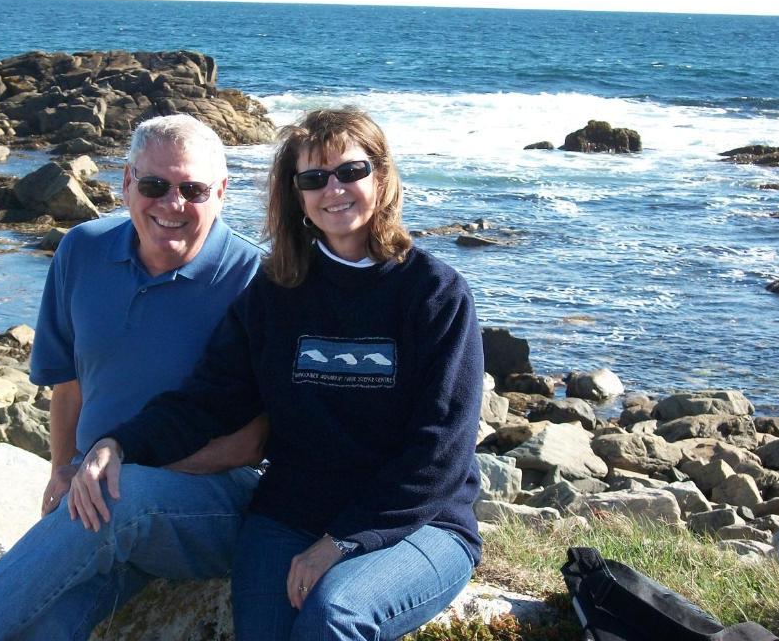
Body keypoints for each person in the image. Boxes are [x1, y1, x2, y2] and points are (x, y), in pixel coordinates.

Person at [76, 107, 484, 640]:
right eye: (313, 179)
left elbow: (439, 452)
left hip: (419, 524)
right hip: (291, 514)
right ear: (297, 196)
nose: (333, 189)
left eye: (351, 172)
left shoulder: (434, 293)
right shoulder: (275, 293)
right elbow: (210, 401)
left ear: (381, 177)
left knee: (333, 613)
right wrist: (118, 443)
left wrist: (342, 541)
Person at [0, 114, 268, 640]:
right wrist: (61, 470)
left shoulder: (255, 280)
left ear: (223, 192)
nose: (173, 204)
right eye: (154, 185)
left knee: (120, 498)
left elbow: (251, 445)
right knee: (38, 626)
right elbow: (68, 381)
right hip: (103, 497)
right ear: (125, 182)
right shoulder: (83, 249)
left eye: (193, 188)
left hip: (212, 503)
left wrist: (115, 466)